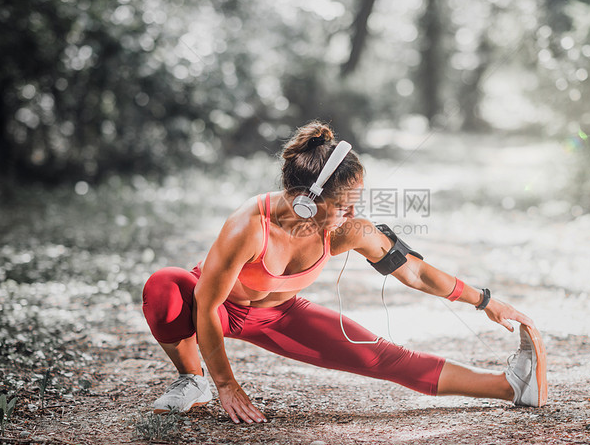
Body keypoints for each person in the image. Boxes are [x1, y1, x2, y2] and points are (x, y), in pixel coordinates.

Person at [141, 121, 547, 424]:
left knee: (385, 358)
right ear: (304, 201)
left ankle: (508, 385)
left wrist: (487, 301)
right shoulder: (249, 226)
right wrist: (226, 383)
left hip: (278, 314)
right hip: (211, 307)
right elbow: (207, 305)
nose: (354, 215)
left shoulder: (346, 230)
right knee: (165, 286)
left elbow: (416, 274)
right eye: (344, 205)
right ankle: (192, 379)